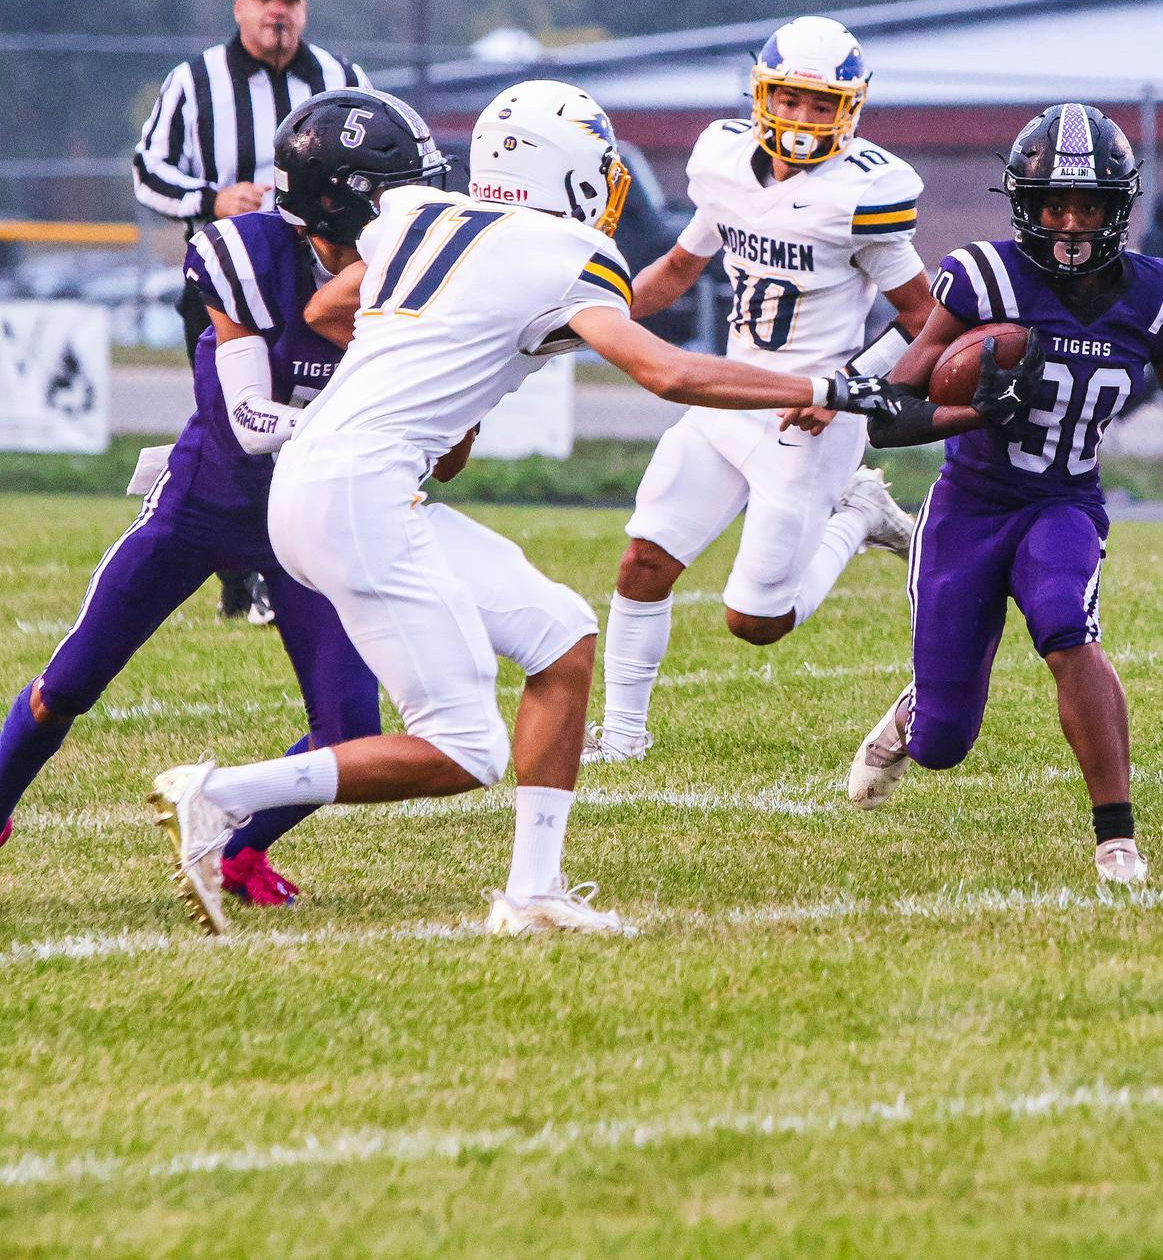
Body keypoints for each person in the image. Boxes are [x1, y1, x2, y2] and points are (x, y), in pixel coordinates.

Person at [145, 80, 903, 937]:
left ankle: (533, 890)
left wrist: (437, 369)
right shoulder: (565, 253)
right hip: (358, 490)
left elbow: (325, 307)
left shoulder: (419, 215)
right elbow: (670, 374)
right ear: (572, 166)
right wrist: (831, 384)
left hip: (333, 479)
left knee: (562, 636)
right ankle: (220, 795)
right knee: (464, 749)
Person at [0, 90, 438, 902]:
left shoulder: (410, 276)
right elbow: (245, 419)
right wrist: (357, 430)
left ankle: (235, 845)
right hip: (201, 505)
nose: (416, 207)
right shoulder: (247, 255)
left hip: (304, 525)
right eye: (394, 189)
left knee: (350, 731)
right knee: (71, 681)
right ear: (339, 199)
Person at [843, 103, 1163, 883]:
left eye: (1089, 205)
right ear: (1025, 205)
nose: (1072, 221)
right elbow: (889, 413)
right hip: (970, 505)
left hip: (1064, 501)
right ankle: (919, 707)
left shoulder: (1159, 296)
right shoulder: (982, 276)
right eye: (1055, 204)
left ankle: (1116, 837)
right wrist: (975, 408)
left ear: (1119, 208)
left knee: (1067, 626)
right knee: (945, 741)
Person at [586, 18, 932, 765]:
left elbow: (924, 316)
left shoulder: (862, 194)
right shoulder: (726, 166)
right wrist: (594, 315)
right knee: (644, 559)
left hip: (809, 420)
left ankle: (859, 515)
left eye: (820, 104)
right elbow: (678, 269)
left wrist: (844, 388)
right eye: (790, 99)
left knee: (756, 621)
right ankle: (621, 735)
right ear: (761, 95)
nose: (802, 119)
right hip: (729, 396)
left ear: (850, 108)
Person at [132, 0, 371, 625]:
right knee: (232, 420)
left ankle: (315, 559)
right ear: (239, 7)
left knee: (320, 408)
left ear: (304, 10)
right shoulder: (194, 80)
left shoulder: (340, 77)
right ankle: (244, 579)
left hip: (321, 279)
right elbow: (147, 171)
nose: (277, 11)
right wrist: (211, 198)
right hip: (226, 283)